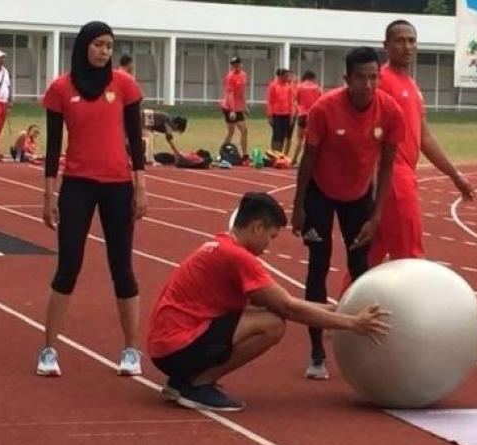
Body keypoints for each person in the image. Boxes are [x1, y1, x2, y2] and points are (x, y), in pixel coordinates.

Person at [147, 192, 390, 412]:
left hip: (167, 348)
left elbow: (284, 301)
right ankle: (197, 384)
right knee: (273, 324)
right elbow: (288, 307)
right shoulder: (237, 257)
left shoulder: (222, 245)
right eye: (270, 236)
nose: (268, 245)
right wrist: (352, 323)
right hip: (176, 346)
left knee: (268, 311)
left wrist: (342, 310)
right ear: (257, 227)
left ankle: (183, 380)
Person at [36, 21, 148, 378]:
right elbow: (53, 147)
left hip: (118, 185)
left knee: (122, 269)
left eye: (109, 46)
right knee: (68, 266)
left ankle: (131, 350)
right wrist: (48, 194)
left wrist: (140, 186)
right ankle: (49, 349)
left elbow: (136, 139)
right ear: (84, 46)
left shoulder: (124, 84)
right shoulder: (60, 89)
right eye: (98, 44)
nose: (104, 51)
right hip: (77, 186)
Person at [291, 47, 404, 380]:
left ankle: (361, 338)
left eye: (374, 77)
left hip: (358, 196)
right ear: (347, 78)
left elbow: (386, 167)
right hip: (320, 194)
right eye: (361, 77)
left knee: (360, 268)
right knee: (319, 264)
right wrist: (298, 208)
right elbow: (307, 161)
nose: (368, 84)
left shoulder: (389, 110)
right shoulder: (325, 108)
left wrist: (376, 215)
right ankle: (316, 352)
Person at [370, 20, 474, 265]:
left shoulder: (412, 86)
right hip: (393, 176)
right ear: (386, 46)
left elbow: (424, 136)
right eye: (400, 41)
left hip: (404, 172)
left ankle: (348, 302)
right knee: (409, 254)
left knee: (370, 253)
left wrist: (454, 174)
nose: (407, 46)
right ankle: (408, 303)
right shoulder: (380, 81)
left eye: (412, 41)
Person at [220, 56, 249, 164]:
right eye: (233, 65)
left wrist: (245, 106)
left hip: (238, 106)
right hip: (229, 106)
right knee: (231, 131)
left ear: (241, 64)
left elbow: (242, 92)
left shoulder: (244, 75)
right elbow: (230, 94)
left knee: (244, 131)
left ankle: (245, 155)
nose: (236, 66)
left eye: (237, 64)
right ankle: (222, 152)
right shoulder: (230, 77)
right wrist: (232, 110)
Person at [291, 70, 323, 166]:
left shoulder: (299, 87)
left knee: (299, 139)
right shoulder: (317, 88)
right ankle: (309, 160)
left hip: (302, 114)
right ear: (313, 78)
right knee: (311, 140)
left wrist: (299, 109)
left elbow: (296, 101)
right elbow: (321, 101)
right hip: (312, 115)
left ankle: (294, 159)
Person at [266, 68, 293, 153]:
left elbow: (290, 102)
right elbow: (269, 101)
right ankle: (274, 153)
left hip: (286, 114)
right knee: (276, 134)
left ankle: (279, 153)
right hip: (276, 113)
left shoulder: (288, 86)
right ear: (281, 76)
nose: (287, 77)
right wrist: (269, 115)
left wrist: (291, 115)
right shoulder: (273, 86)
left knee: (282, 135)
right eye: (286, 75)